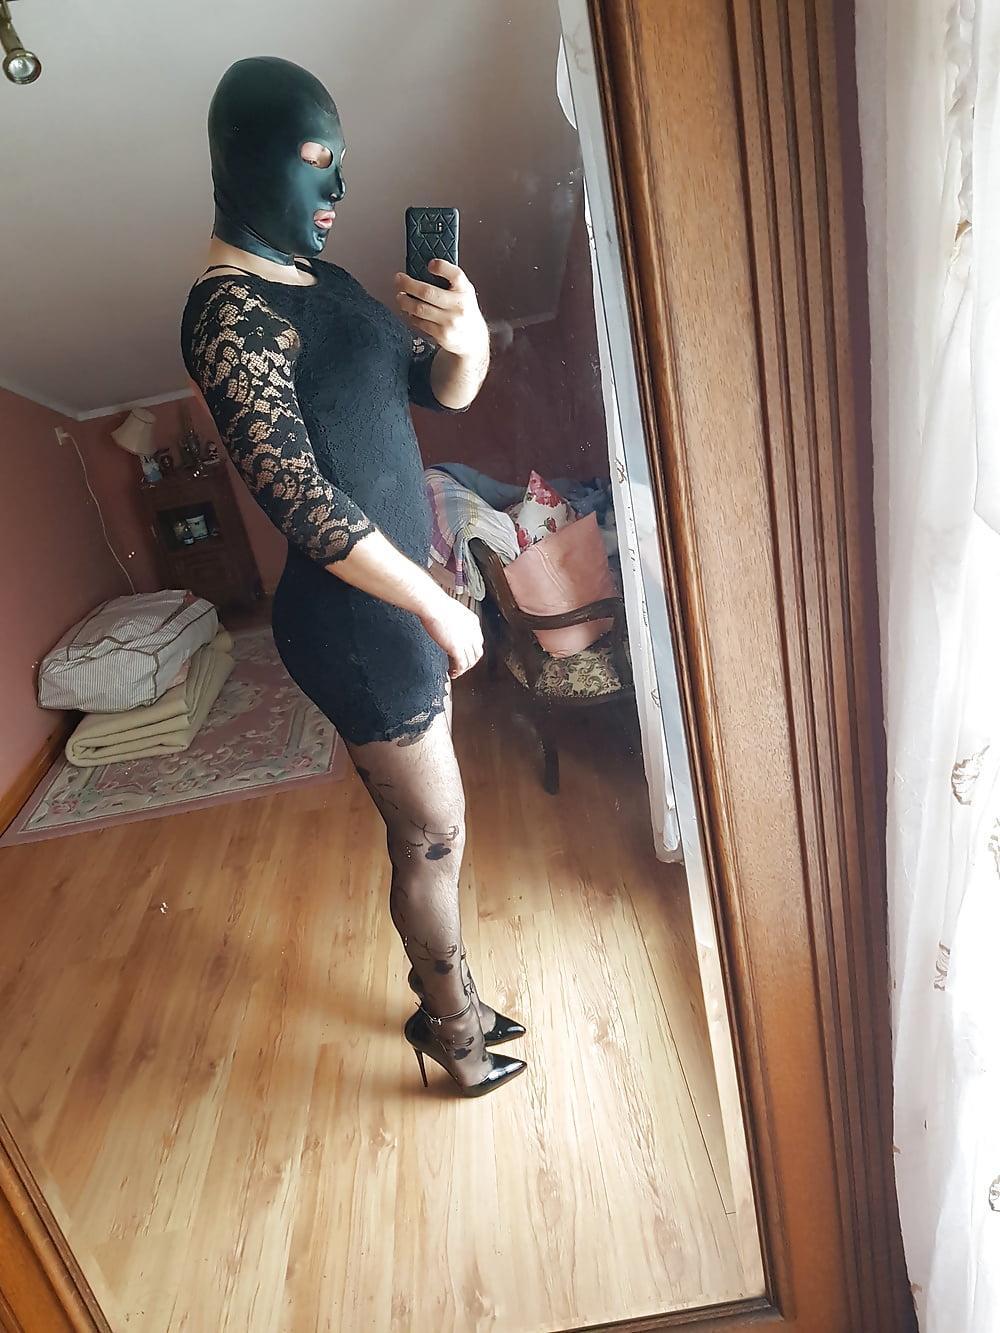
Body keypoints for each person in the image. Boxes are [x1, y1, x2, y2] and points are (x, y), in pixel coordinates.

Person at [180, 56, 525, 1098]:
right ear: (245, 160)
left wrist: (468, 340)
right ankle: (451, 1030)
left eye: (343, 163)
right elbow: (304, 503)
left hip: (399, 603)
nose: (337, 189)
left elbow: (436, 392)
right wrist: (436, 604)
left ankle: (449, 997)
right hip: (353, 623)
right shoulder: (227, 315)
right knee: (432, 836)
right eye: (314, 159)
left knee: (432, 830)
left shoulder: (320, 282)